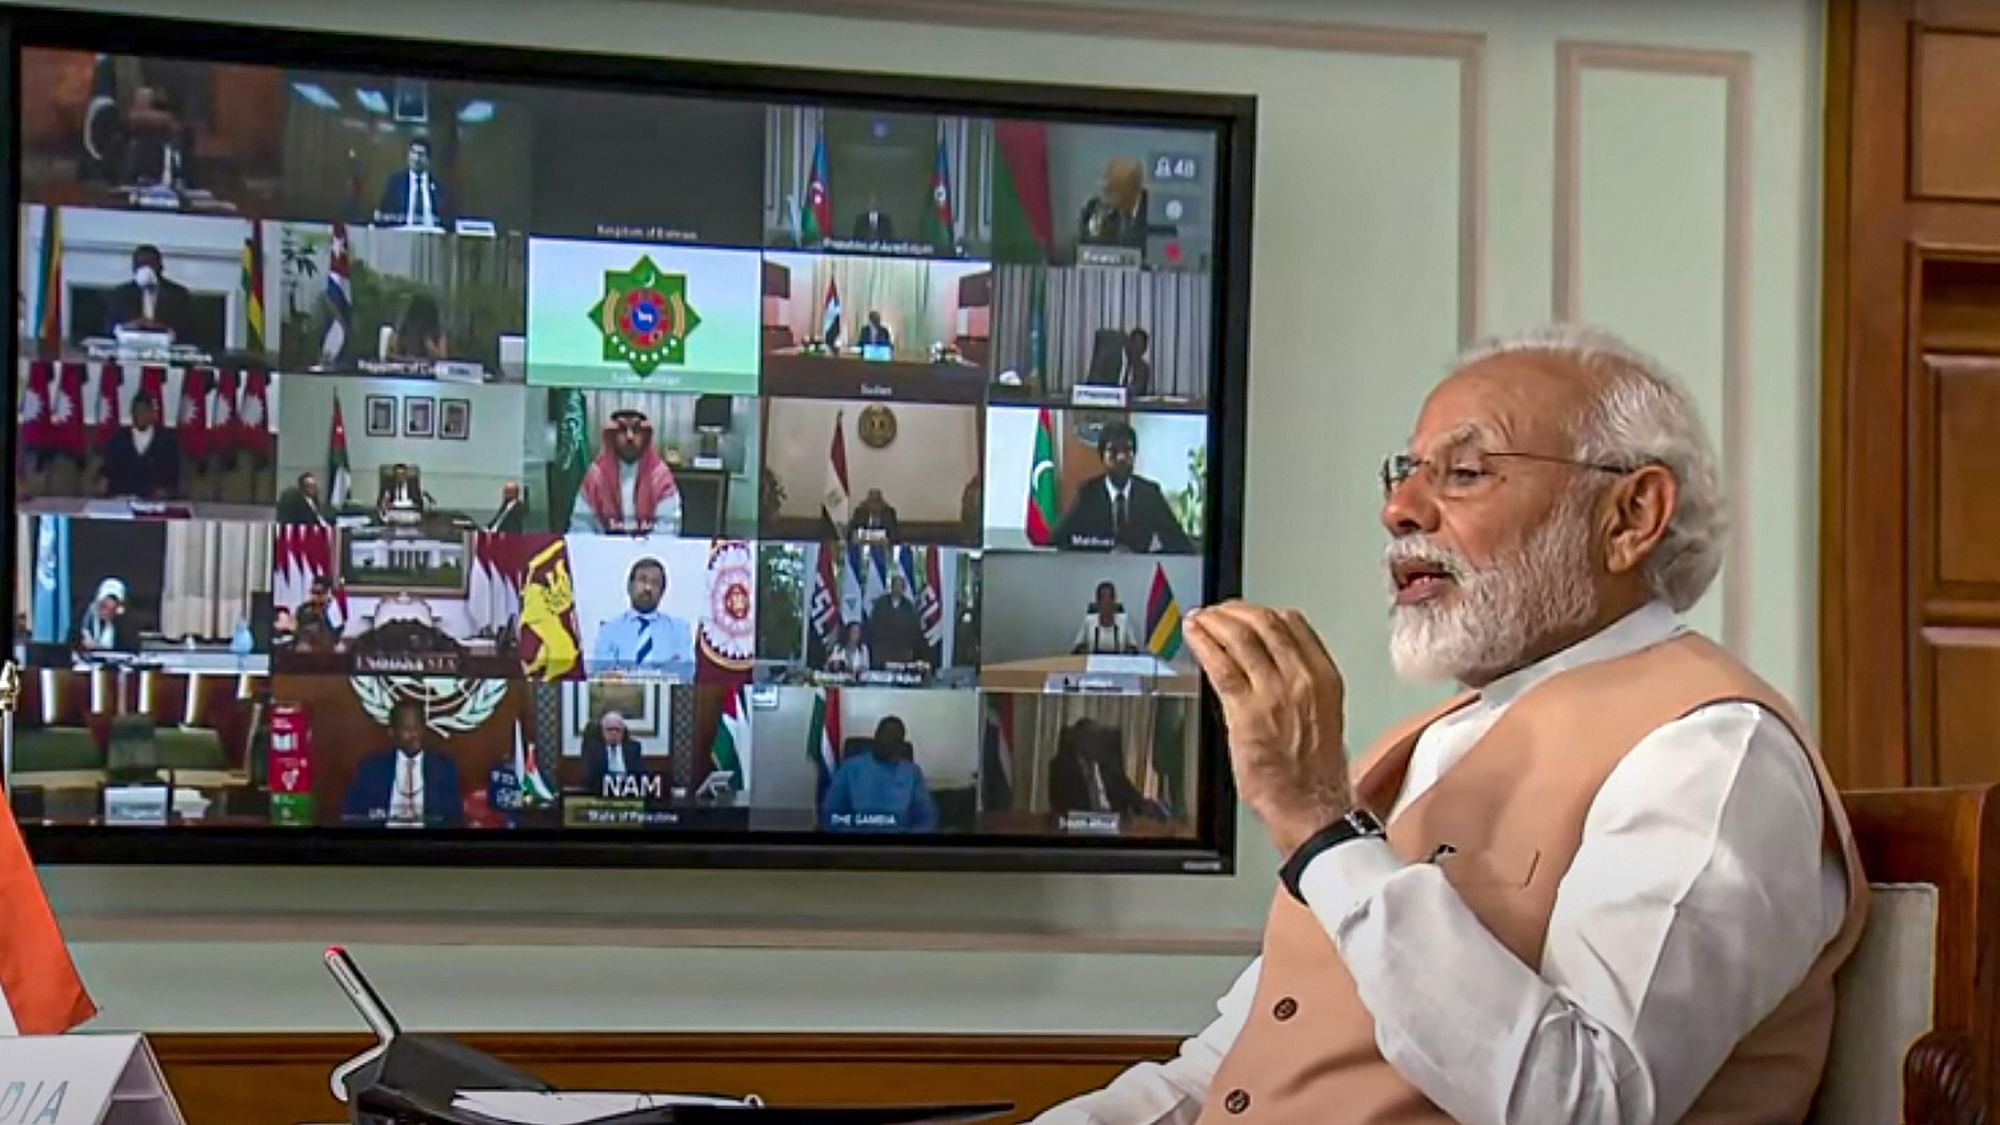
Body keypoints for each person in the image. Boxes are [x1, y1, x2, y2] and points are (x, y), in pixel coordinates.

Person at [1034, 325, 1866, 1124]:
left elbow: (1581, 1102)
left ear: (1630, 517)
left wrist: (1323, 827)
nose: (1399, 508)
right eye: (1405, 472)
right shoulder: (1429, 743)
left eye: (1464, 472)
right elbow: (1226, 1069)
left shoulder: (1713, 751)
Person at [1051, 420, 1193, 554]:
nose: (1121, 457)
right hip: (1097, 572)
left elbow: (1180, 544)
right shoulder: (1088, 493)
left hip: (1139, 573)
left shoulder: (1150, 493)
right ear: (1102, 456)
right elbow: (1059, 540)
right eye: (1113, 451)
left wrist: (1147, 559)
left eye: (1127, 450)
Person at [340, 698, 465, 828]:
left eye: (418, 727)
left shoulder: (444, 768)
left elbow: (454, 821)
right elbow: (353, 816)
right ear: (392, 732)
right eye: (407, 729)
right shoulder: (371, 769)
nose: (415, 734)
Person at [572, 409, 682, 536]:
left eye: (636, 431)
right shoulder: (596, 476)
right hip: (605, 551)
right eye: (622, 431)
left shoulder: (660, 476)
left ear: (645, 435)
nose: (630, 437)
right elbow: (581, 526)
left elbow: (667, 528)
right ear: (612, 435)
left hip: (648, 552)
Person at [821, 716, 937, 831]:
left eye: (893, 741)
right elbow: (831, 814)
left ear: (900, 746)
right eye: (884, 738)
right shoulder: (850, 768)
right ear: (876, 737)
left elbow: (927, 817)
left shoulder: (912, 772)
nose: (887, 744)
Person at [591, 556, 695, 678]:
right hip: (621, 696)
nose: (648, 588)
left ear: (662, 592)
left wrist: (625, 674)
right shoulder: (609, 630)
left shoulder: (679, 629)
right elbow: (603, 675)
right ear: (629, 586)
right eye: (642, 580)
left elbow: (685, 675)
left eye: (655, 583)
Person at [1047, 718, 1151, 818]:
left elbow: (1126, 790)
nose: (1097, 744)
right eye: (1091, 739)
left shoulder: (1108, 765)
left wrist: (1145, 805)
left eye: (1099, 739)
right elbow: (1059, 805)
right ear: (1078, 741)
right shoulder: (1061, 767)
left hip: (1113, 821)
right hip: (1082, 823)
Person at [103, 245, 196, 341]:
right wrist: (129, 326)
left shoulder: (178, 294)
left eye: (150, 264)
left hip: (165, 347)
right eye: (140, 265)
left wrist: (161, 328)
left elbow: (189, 330)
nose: (146, 270)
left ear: (161, 267)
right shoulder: (121, 293)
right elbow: (108, 327)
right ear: (133, 268)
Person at [101, 394, 181, 499]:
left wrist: (166, 491)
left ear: (152, 414)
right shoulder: (119, 438)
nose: (139, 415)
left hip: (154, 500)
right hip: (122, 497)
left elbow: (173, 473)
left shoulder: (166, 440)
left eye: (143, 411)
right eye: (136, 411)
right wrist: (103, 480)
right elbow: (108, 468)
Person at [375, 137, 452, 230]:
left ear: (428, 159)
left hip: (432, 237)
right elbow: (384, 216)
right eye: (413, 153)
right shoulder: (395, 184)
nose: (416, 158)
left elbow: (448, 221)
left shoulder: (439, 187)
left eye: (421, 154)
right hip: (402, 236)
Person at [1077, 157, 1149, 251]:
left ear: (1130, 189)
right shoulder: (1097, 210)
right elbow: (1087, 248)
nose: (1105, 192)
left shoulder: (1151, 214)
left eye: (1111, 188)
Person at [582, 711, 647, 795]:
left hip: (628, 792)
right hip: (601, 793)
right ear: (602, 731)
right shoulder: (593, 749)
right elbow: (589, 777)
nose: (614, 733)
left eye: (617, 730)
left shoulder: (634, 748)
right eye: (609, 729)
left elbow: (641, 775)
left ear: (623, 731)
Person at [867, 574, 925, 666]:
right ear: (891, 587)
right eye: (896, 585)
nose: (898, 589)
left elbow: (914, 629)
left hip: (902, 652)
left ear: (904, 589)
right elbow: (873, 624)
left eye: (900, 586)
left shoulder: (909, 607)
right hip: (882, 651)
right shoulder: (880, 603)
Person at [71, 577, 139, 655]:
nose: (106, 612)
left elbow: (130, 649)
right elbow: (71, 642)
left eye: (111, 610)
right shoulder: (82, 616)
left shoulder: (124, 624)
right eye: (103, 606)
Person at [1071, 581, 1140, 655]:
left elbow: (1133, 648)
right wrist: (1084, 651)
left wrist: (1128, 651)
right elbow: (1077, 648)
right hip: (1094, 663)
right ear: (1097, 602)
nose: (1106, 602)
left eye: (1110, 598)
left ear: (1114, 601)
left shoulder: (1123, 621)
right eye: (1102, 598)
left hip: (1119, 663)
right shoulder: (1089, 621)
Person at [388, 292, 448, 361]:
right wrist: (406, 359)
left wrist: (431, 348)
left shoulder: (438, 334)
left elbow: (443, 359)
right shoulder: (403, 331)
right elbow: (391, 357)